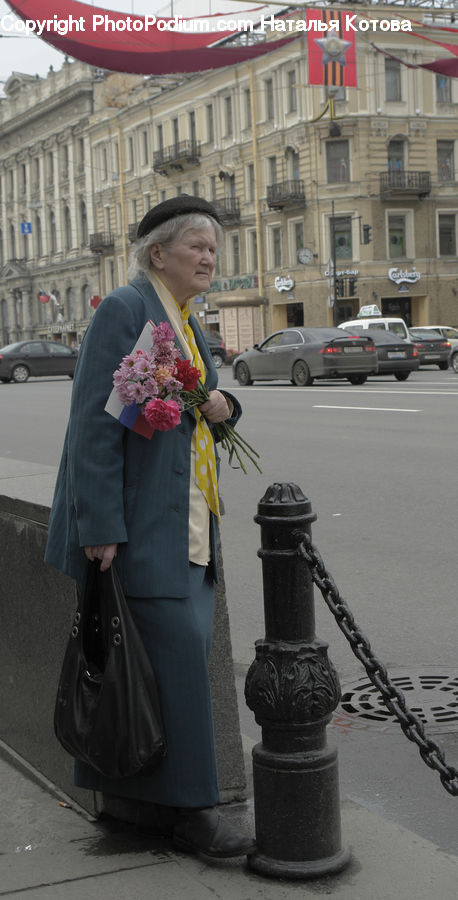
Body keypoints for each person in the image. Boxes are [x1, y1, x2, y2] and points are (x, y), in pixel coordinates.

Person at [45, 195, 255, 859]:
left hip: (186, 522)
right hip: (141, 530)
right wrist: (99, 527)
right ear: (158, 252)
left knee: (159, 668)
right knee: (177, 666)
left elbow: (190, 406)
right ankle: (196, 813)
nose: (208, 257)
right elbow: (94, 429)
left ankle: (136, 807)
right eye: (197, 245)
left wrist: (227, 406)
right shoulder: (127, 309)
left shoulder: (184, 320)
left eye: (214, 249)